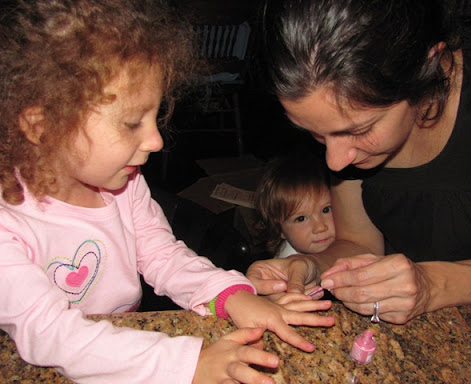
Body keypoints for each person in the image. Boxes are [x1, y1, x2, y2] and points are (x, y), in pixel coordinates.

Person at [0, 1, 335, 383]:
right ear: (42, 126)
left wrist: (229, 295)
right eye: (131, 123)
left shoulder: (125, 183)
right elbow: (51, 335)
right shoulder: (7, 228)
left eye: (154, 117)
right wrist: (187, 364)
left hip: (124, 344)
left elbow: (162, 255)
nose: (156, 141)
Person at [247, 0, 471, 325]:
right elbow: (360, 243)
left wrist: (436, 286)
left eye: (360, 130)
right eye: (314, 134)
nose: (335, 161)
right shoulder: (341, 140)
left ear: (426, 67)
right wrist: (313, 266)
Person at [255, 151, 335, 259]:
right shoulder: (287, 269)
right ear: (279, 229)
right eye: (301, 219)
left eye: (326, 210)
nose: (320, 227)